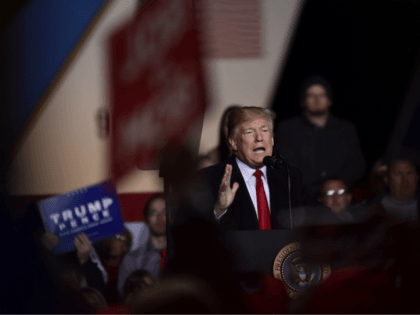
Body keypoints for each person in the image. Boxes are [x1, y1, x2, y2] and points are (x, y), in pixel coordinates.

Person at [198, 106, 319, 230]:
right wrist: (219, 210)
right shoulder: (209, 178)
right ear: (234, 142)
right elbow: (191, 230)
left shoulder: (290, 178)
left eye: (264, 130)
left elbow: (319, 219)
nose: (259, 138)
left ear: (272, 139)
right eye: (250, 132)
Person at [274, 76, 365, 197]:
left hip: (340, 196)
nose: (317, 99)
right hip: (301, 198)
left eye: (322, 95)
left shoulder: (345, 129)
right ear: (303, 101)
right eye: (311, 95)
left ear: (329, 100)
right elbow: (285, 166)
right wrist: (319, 189)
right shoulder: (287, 129)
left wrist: (335, 186)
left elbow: (357, 164)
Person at [117, 194, 166, 297]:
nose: (160, 218)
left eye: (164, 212)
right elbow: (123, 298)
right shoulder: (130, 260)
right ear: (146, 218)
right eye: (154, 213)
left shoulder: (184, 255)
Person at [374, 157, 419, 224]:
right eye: (398, 174)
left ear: (417, 177)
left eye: (410, 173)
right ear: (387, 179)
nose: (405, 180)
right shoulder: (373, 211)